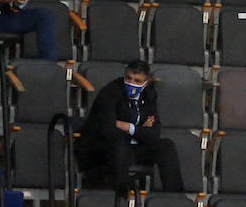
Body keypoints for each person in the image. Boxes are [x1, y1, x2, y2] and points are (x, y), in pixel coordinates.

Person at [76, 60, 185, 192]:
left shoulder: (149, 95)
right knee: (119, 143)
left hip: (133, 147)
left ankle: (175, 197)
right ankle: (122, 196)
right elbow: (108, 130)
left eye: (137, 81)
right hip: (103, 150)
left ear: (146, 82)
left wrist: (128, 127)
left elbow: (154, 133)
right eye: (128, 78)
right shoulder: (110, 92)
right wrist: (140, 130)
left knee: (166, 146)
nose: (131, 83)